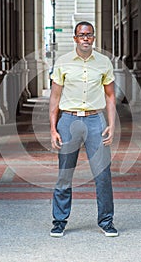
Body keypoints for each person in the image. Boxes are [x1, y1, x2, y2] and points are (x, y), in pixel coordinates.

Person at [49, 21, 118, 237]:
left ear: (94, 37)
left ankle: (106, 221)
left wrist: (111, 125)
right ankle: (59, 221)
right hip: (69, 121)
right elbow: (55, 97)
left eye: (89, 35)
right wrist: (53, 128)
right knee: (65, 173)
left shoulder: (104, 62)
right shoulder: (63, 62)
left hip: (95, 121)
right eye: (81, 35)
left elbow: (110, 96)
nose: (85, 38)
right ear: (75, 38)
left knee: (103, 174)